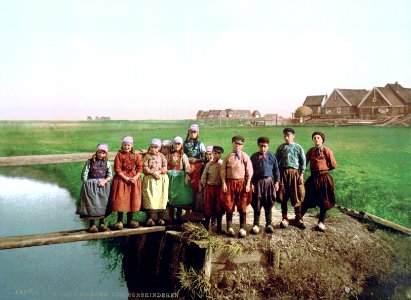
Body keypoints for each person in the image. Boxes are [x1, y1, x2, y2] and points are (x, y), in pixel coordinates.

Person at [302, 132, 337, 232]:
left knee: (324, 200)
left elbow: (333, 165)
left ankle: (321, 222)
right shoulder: (311, 151)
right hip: (313, 178)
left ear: (322, 140)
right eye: (314, 138)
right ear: (313, 140)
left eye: (318, 138)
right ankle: (299, 218)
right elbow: (304, 163)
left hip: (324, 178)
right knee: (306, 198)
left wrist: (323, 169)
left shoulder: (327, 151)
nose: (316, 139)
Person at [220, 135, 253, 238]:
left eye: (240, 144)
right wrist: (224, 183)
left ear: (242, 145)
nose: (237, 146)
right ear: (232, 144)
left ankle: (242, 228)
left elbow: (249, 171)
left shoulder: (245, 156)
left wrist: (248, 184)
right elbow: (223, 171)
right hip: (230, 183)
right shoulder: (228, 157)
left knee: (242, 205)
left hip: (242, 183)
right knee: (229, 205)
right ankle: (229, 227)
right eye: (235, 143)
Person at [109, 136, 143, 230]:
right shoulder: (119, 155)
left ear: (131, 145)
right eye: (125, 145)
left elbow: (140, 167)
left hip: (133, 179)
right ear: (122, 145)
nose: (126, 147)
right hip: (122, 178)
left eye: (128, 145)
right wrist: (126, 178)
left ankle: (130, 220)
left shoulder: (135, 155)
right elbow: (117, 168)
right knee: (121, 199)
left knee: (132, 198)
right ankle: (119, 221)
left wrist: (135, 178)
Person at [76, 144, 112, 233]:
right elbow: (85, 172)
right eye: (100, 152)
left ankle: (102, 223)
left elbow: (109, 175)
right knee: (92, 203)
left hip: (103, 185)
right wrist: (86, 182)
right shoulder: (90, 162)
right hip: (91, 185)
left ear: (106, 154)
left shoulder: (107, 163)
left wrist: (104, 181)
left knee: (102, 203)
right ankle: (92, 225)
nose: (101, 155)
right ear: (97, 152)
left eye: (103, 153)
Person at [276, 128, 306, 229]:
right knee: (282, 195)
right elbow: (276, 162)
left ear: (293, 136)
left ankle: (298, 218)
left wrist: (301, 174)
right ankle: (284, 218)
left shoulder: (298, 147)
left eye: (288, 135)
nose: (286, 137)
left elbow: (303, 162)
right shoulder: (281, 148)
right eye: (284, 135)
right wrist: (277, 177)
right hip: (283, 173)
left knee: (297, 194)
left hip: (295, 173)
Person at [250, 137, 280, 234]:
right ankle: (256, 224)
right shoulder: (254, 157)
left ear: (268, 146)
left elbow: (276, 170)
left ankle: (269, 224)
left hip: (268, 182)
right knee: (257, 203)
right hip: (257, 182)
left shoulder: (271, 156)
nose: (263, 149)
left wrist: (277, 182)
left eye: (265, 146)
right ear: (258, 146)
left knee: (268, 202)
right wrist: (250, 183)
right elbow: (250, 172)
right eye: (261, 146)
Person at [142, 138, 169, 226]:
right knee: (150, 198)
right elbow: (145, 167)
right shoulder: (147, 156)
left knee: (160, 198)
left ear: (159, 148)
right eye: (152, 147)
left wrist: (160, 172)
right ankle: (150, 218)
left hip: (160, 180)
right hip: (150, 179)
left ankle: (160, 218)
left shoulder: (161, 156)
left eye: (156, 147)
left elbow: (165, 167)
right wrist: (153, 172)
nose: (153, 149)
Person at [167, 136, 193, 221]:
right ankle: (171, 215)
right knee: (171, 195)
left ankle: (179, 214)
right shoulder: (168, 155)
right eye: (175, 143)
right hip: (170, 177)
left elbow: (187, 165)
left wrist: (186, 175)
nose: (177, 145)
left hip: (180, 178)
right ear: (172, 144)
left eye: (179, 144)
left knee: (179, 196)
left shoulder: (183, 155)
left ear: (181, 145)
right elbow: (165, 164)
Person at [200, 146, 225, 233]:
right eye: (215, 153)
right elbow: (204, 176)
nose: (217, 155)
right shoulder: (209, 164)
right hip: (210, 188)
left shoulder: (223, 164)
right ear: (212, 153)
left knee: (219, 207)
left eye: (219, 153)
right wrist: (203, 184)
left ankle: (219, 228)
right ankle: (206, 226)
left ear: (221, 154)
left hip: (219, 188)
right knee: (208, 206)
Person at [183, 124, 206, 199]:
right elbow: (181, 154)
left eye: (194, 132)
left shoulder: (200, 144)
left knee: (195, 185)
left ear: (197, 133)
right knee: (186, 185)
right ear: (188, 132)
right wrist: (187, 159)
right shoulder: (184, 143)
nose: (193, 134)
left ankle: (195, 204)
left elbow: (204, 157)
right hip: (186, 166)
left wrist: (196, 160)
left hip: (197, 168)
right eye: (191, 132)